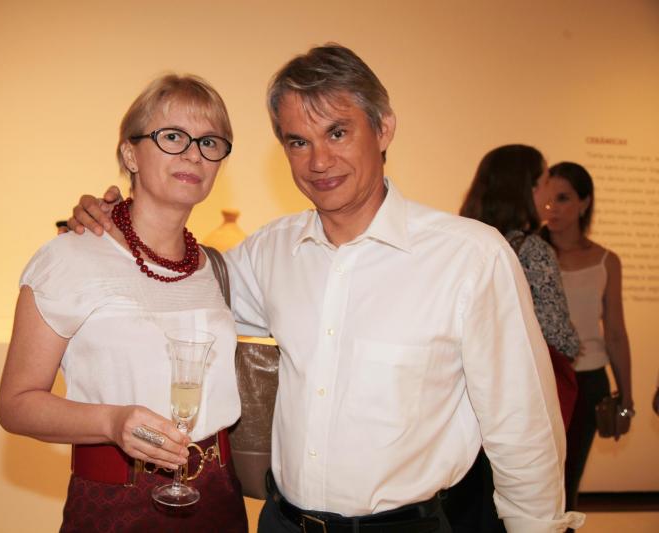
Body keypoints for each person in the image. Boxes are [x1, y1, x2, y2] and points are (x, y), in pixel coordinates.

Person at [67, 44, 584, 532]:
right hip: (283, 522)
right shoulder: (270, 252)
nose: (318, 161)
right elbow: (176, 280)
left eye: (337, 133)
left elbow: (523, 428)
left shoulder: (469, 257)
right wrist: (119, 219)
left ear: (383, 128)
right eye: (298, 141)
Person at [0, 74, 248, 533]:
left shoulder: (215, 266)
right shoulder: (68, 258)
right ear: (130, 154)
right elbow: (15, 404)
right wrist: (113, 422)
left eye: (210, 142)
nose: (194, 154)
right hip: (115, 503)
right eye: (173, 136)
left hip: (218, 498)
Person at [449, 144, 581, 532]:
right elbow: (558, 335)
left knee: (472, 502)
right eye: (544, 181)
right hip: (517, 395)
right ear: (526, 187)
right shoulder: (533, 249)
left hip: (465, 396)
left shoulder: (461, 242)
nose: (549, 194)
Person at [541, 161, 635, 512]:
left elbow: (615, 333)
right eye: (547, 198)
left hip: (588, 381)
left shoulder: (606, 261)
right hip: (541, 377)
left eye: (563, 198)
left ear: (584, 202)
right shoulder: (530, 252)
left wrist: (626, 398)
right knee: (536, 479)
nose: (552, 208)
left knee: (568, 481)